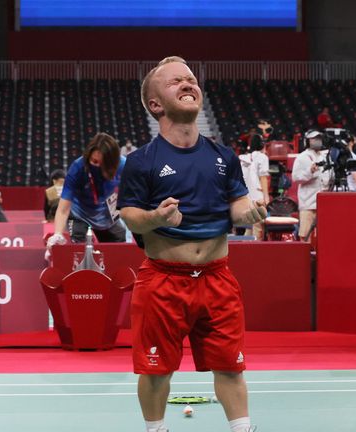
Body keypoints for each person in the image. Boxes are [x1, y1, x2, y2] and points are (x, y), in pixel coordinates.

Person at [118, 56, 263, 432]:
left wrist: (248, 214)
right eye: (174, 82)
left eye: (191, 79)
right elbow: (130, 214)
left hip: (217, 278)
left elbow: (239, 204)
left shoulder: (223, 156)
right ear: (155, 105)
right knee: (156, 369)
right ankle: (156, 429)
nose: (187, 84)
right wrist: (156, 218)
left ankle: (242, 429)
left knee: (231, 366)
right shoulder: (141, 161)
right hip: (163, 280)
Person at [46, 132, 127, 256]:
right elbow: (63, 209)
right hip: (80, 214)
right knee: (81, 251)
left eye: (102, 162)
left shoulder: (123, 165)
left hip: (107, 213)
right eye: (94, 161)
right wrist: (58, 234)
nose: (98, 166)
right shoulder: (77, 168)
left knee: (119, 245)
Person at [292, 130, 333, 240]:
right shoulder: (302, 157)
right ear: (307, 141)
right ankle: (303, 256)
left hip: (323, 203)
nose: (317, 141)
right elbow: (295, 178)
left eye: (319, 139)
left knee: (323, 235)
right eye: (314, 139)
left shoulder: (324, 157)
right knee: (305, 235)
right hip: (308, 202)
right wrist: (310, 171)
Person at [238, 134, 270, 239]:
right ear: (262, 145)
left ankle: (244, 251)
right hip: (258, 198)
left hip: (245, 199)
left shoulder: (243, 158)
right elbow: (263, 177)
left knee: (249, 228)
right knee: (258, 228)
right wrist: (266, 196)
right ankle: (257, 252)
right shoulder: (262, 157)